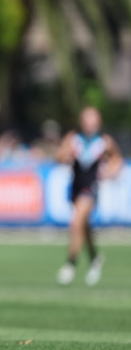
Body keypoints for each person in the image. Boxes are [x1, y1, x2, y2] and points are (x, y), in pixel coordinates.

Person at [54, 106, 123, 286]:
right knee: (84, 227)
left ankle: (70, 264)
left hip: (91, 188)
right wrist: (66, 155)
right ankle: (94, 258)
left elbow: (117, 160)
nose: (89, 122)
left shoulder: (104, 141)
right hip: (76, 187)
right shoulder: (73, 138)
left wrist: (110, 171)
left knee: (76, 222)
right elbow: (59, 156)